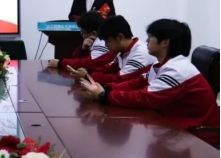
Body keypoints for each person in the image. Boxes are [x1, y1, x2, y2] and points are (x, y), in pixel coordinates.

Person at [78, 19, 220, 146]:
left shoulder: (176, 70)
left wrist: (105, 95)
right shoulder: (161, 65)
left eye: (151, 37)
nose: (146, 41)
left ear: (165, 43)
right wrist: (106, 89)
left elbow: (145, 98)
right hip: (174, 128)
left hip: (199, 137)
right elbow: (136, 83)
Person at [68, 15, 156, 85]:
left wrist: (88, 76)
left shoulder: (140, 53)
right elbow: (107, 69)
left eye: (107, 41)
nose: (106, 45)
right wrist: (87, 72)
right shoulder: (122, 52)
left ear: (119, 37)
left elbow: (120, 79)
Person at [48, 11, 116, 70]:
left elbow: (88, 64)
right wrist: (83, 50)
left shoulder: (101, 42)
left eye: (83, 32)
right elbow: (76, 60)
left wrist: (60, 63)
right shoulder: (96, 41)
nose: (82, 35)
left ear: (93, 33)